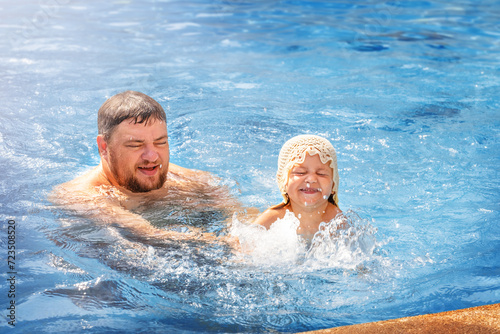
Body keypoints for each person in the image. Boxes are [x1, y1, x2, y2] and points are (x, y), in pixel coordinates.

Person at [50, 91, 238, 241]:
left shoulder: (184, 179)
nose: (152, 156)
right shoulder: (81, 196)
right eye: (135, 145)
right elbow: (149, 236)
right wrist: (231, 245)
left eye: (160, 142)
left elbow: (235, 209)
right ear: (104, 147)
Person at [253, 134, 342, 239]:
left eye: (321, 174)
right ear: (284, 182)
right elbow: (237, 245)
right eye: (300, 172)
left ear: (333, 185)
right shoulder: (273, 218)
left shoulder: (338, 221)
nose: (311, 179)